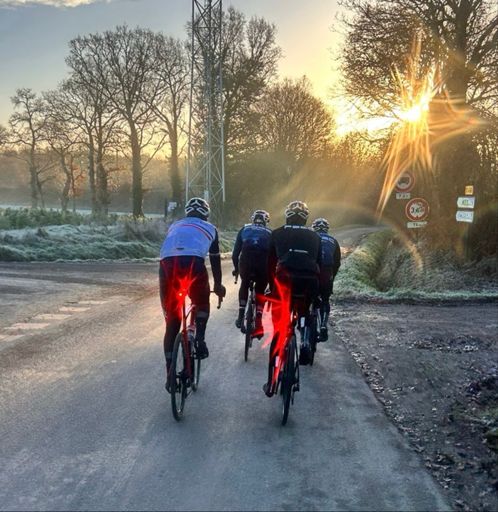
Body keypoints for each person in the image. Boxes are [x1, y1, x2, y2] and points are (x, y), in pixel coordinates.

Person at [159, 197, 226, 391]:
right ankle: (200, 338)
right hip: (193, 263)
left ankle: (170, 374)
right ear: (206, 215)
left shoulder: (174, 225)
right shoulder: (211, 228)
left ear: (187, 213)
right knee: (201, 303)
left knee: (172, 322)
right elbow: (215, 260)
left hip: (167, 265)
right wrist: (218, 285)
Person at [263, 200, 322, 397]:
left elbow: (270, 264)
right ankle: (305, 339)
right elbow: (320, 264)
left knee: (278, 331)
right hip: (309, 281)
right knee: (305, 310)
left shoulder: (277, 233)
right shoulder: (315, 236)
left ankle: (271, 382)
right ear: (306, 219)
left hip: (284, 280)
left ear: (287, 216)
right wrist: (318, 294)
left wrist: (271, 287)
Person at [231, 209, 272, 337]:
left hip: (246, 262)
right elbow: (273, 256)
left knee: (244, 283)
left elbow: (235, 253)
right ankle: (259, 321)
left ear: (253, 219)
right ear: (266, 221)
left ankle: (240, 316)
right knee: (260, 289)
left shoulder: (244, 229)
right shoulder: (270, 233)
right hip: (262, 264)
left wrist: (236, 268)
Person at [311, 218, 341, 341]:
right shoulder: (333, 240)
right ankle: (323, 324)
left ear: (314, 228)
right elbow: (337, 263)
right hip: (326, 272)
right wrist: (332, 278)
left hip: (312, 270)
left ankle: (303, 322)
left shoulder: (310, 237)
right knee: (325, 299)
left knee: (307, 296)